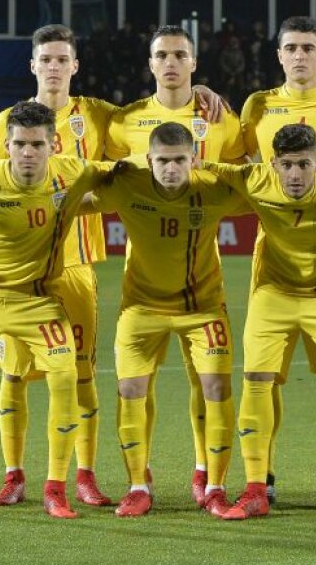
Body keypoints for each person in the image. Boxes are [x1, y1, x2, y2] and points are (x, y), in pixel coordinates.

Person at [0, 100, 118, 520]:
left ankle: (56, 488)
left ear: (53, 144)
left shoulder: (71, 172)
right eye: (19, 144)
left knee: (67, 373)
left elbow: (127, 172)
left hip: (35, 299)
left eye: (36, 144)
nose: (28, 153)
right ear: (8, 145)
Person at [204, 124, 316, 522]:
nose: (296, 175)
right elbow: (200, 166)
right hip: (274, 296)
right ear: (274, 164)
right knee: (256, 383)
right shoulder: (253, 178)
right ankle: (255, 489)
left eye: (304, 164)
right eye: (287, 165)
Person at [107, 23, 246, 506]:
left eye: (180, 55)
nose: (170, 63)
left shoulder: (222, 116)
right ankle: (137, 482)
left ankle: (208, 474)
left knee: (207, 382)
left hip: (201, 286)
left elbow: (245, 174)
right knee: (132, 387)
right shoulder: (120, 122)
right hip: (142, 287)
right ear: (149, 64)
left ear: (194, 63)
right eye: (161, 54)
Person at [0, 24, 119, 510]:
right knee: (14, 374)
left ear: (75, 66)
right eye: (47, 59)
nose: (55, 67)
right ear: (33, 65)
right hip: (21, 273)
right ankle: (13, 475)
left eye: (64, 59)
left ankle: (84, 474)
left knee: (82, 372)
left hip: (77, 265)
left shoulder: (99, 116)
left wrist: (202, 92)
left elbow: (158, 115)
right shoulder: (8, 121)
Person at [88, 123, 248, 518]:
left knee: (215, 386)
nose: (171, 169)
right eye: (163, 161)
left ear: (193, 160)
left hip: (203, 308)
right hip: (141, 309)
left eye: (180, 160)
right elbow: (78, 195)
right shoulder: (128, 186)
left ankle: (214, 485)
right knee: (130, 390)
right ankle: (138, 485)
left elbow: (264, 189)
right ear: (149, 160)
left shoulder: (212, 189)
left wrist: (222, 168)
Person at [239, 16, 316, 506]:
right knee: (263, 378)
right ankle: (261, 480)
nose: (299, 56)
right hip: (273, 266)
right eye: (290, 47)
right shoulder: (258, 106)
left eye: (308, 47)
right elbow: (230, 160)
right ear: (279, 56)